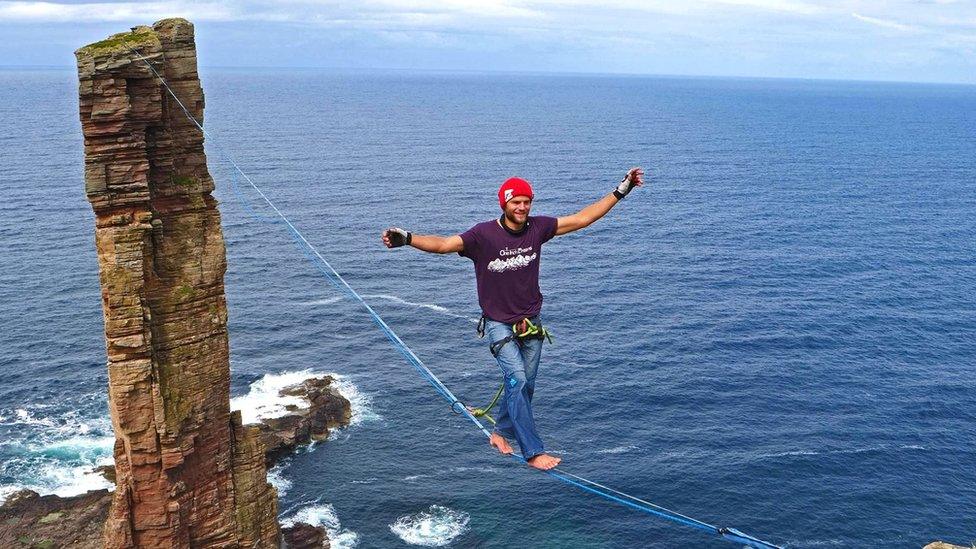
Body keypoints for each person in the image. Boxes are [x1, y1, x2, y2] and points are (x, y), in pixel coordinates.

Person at [382, 167, 644, 470]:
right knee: (517, 379)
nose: (522, 207)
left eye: (526, 202)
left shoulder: (538, 228)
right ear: (503, 204)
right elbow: (443, 245)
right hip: (499, 324)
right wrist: (408, 238)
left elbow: (583, 218)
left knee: (525, 385)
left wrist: (623, 190)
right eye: (515, 202)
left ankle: (501, 433)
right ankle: (533, 451)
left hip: (531, 322)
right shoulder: (483, 235)